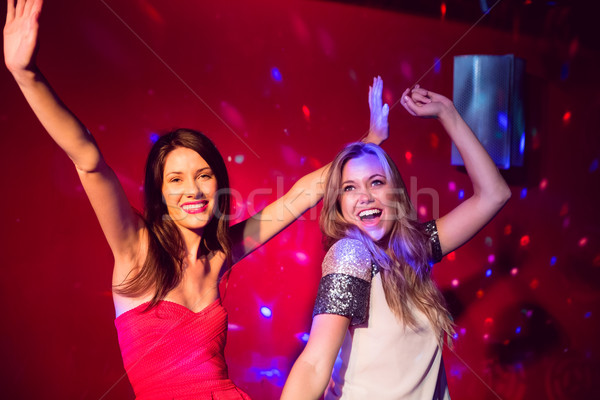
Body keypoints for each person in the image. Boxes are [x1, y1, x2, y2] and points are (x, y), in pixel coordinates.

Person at [3, 1, 390, 399]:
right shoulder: (135, 247)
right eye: (176, 179)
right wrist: (26, 74)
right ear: (160, 192)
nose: (193, 189)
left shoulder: (222, 253)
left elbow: (300, 196)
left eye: (204, 176)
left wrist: (369, 144)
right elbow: (88, 160)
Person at [281, 84, 512, 399]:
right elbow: (314, 362)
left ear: (396, 193)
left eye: (376, 182)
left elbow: (494, 194)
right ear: (338, 204)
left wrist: (448, 113)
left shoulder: (415, 247)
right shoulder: (351, 255)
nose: (364, 197)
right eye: (349, 188)